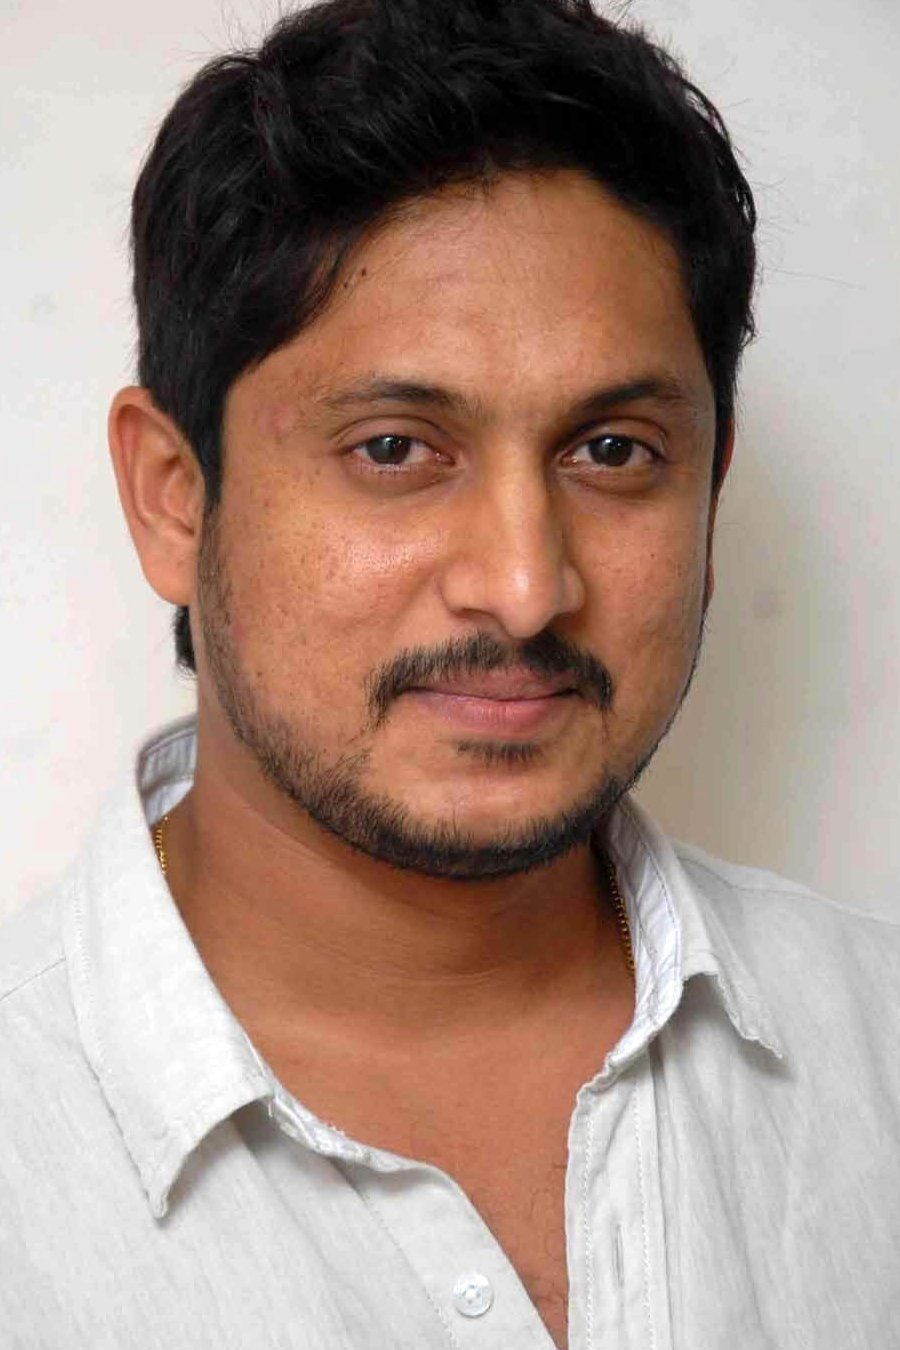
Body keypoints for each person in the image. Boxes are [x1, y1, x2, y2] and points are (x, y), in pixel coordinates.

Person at [1, 0, 898, 1345]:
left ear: (709, 495)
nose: (527, 586)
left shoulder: (879, 1047)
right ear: (175, 499)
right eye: (395, 449)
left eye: (612, 451)